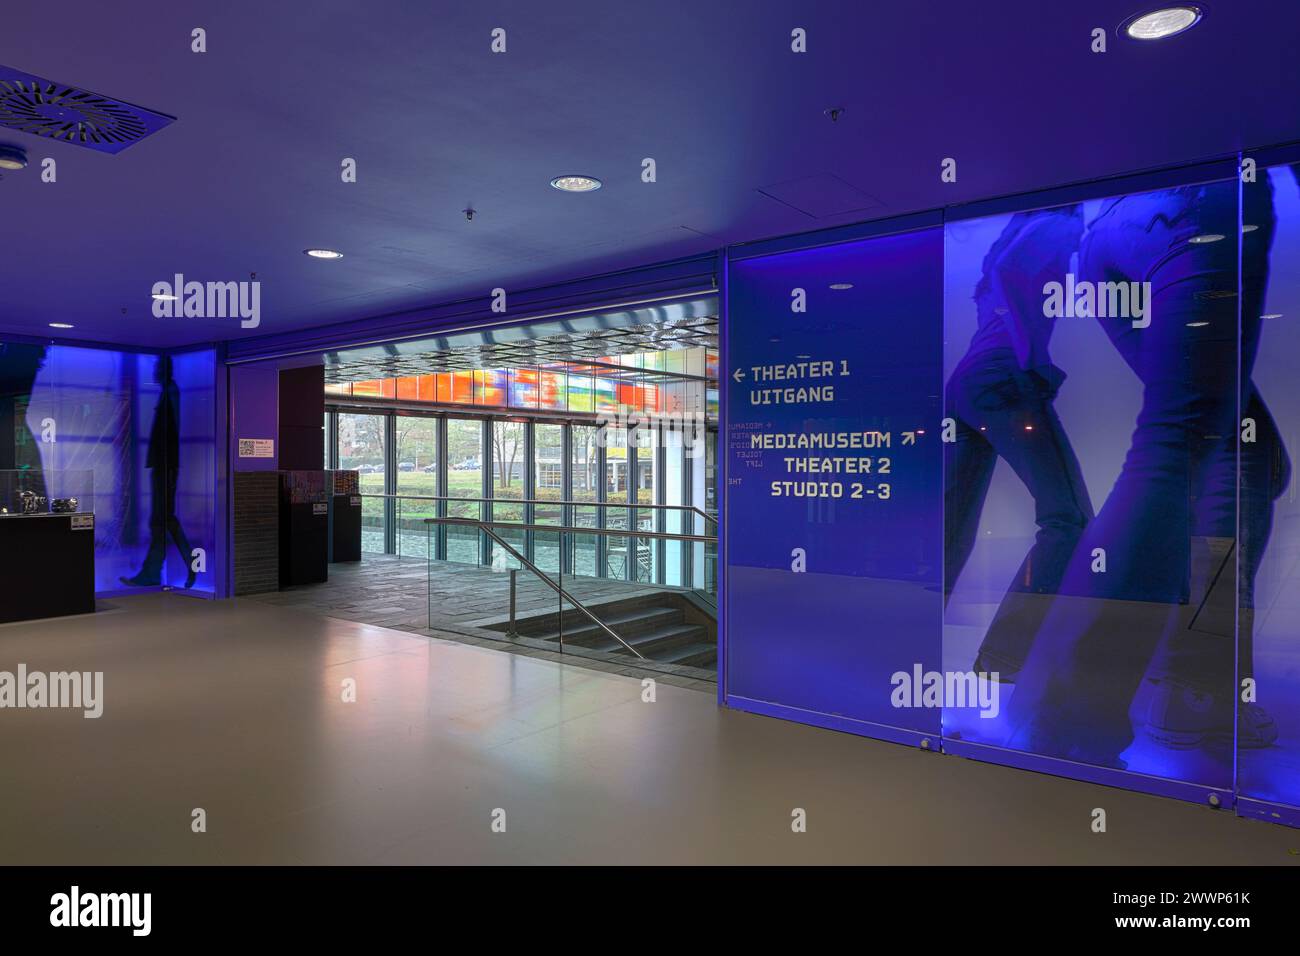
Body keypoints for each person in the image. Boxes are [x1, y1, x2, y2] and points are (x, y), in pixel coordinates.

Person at [1004, 176, 1283, 766]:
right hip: (1194, 208)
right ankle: (1071, 718)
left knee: (1243, 452)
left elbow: (1012, 259)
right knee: (1182, 445)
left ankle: (1178, 687)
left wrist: (1032, 355)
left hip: (1114, 234)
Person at [945, 206, 1093, 678]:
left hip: (966, 383)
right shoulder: (1058, 219)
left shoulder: (1004, 247)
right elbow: (1014, 275)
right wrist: (1034, 358)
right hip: (1004, 378)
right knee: (1067, 519)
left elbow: (1003, 278)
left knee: (952, 527)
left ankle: (902, 639)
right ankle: (1005, 657)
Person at [120, 355, 196, 589]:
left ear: (164, 369)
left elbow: (169, 432)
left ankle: (156, 571)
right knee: (163, 520)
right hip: (164, 465)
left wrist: (163, 465)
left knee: (162, 520)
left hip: (165, 466)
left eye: (156, 367)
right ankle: (160, 569)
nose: (153, 371)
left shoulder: (170, 392)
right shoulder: (168, 392)